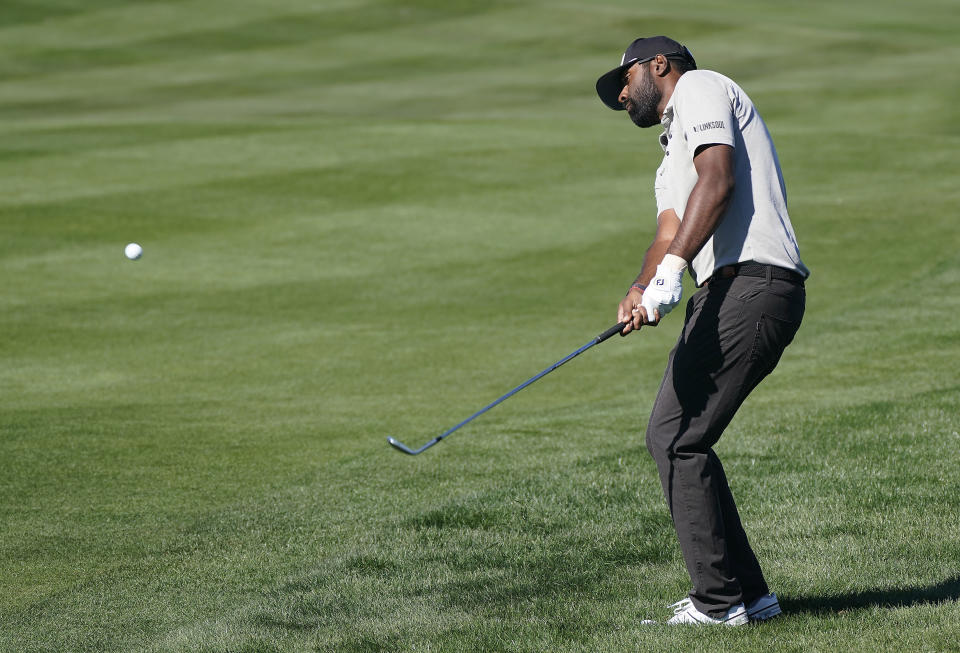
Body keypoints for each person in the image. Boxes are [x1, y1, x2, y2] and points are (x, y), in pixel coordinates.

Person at [595, 36, 809, 626]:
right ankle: (750, 596)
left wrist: (671, 274)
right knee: (681, 437)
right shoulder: (669, 156)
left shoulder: (701, 86)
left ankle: (718, 604)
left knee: (674, 437)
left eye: (625, 77)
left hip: (755, 286)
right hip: (726, 294)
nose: (620, 93)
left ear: (658, 65)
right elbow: (669, 233)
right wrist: (643, 288)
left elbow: (719, 181)